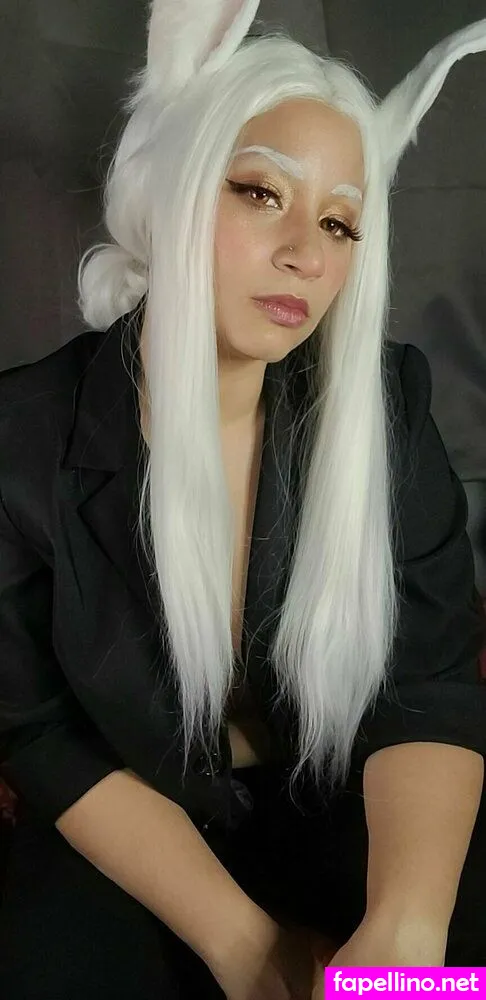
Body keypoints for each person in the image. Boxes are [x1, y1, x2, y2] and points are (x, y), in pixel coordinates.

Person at [1, 1, 486, 995]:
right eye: (262, 193)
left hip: (352, 805)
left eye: (340, 221)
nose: (308, 253)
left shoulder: (387, 406)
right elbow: (36, 729)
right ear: (173, 187)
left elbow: (429, 681)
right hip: (139, 825)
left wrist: (408, 929)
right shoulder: (21, 437)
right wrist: (244, 948)